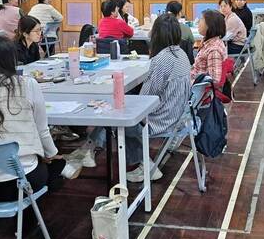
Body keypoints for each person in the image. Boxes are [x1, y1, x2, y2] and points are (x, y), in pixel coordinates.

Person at [70, 14, 191, 182]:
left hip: (160, 119)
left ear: (156, 34)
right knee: (116, 106)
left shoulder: (161, 60)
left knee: (116, 113)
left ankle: (144, 165)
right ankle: (88, 149)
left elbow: (145, 99)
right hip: (177, 114)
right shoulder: (181, 54)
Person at [0, 35, 77, 203]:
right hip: (22, 181)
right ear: (10, 59)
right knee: (54, 165)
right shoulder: (27, 84)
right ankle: (31, 214)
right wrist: (53, 155)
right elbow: (42, 131)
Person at [190, 10, 227, 86]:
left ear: (210, 25)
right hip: (193, 78)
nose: (198, 22)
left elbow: (214, 80)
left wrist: (190, 83)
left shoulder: (214, 50)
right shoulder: (209, 41)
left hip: (196, 87)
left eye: (201, 19)